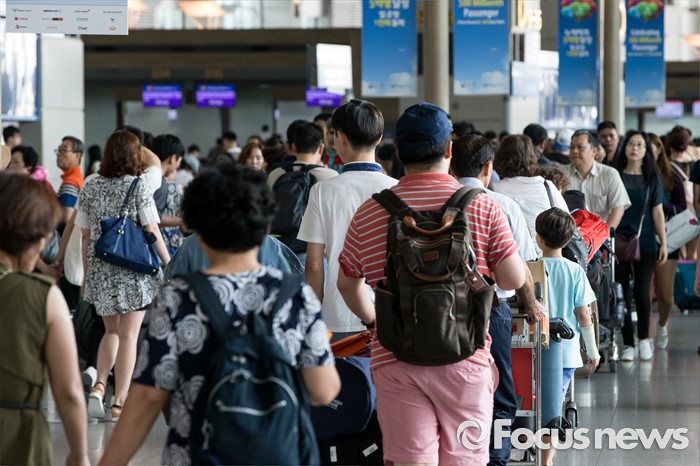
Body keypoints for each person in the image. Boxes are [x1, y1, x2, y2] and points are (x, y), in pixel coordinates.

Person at [99, 164, 340, 465]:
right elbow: (324, 390)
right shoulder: (296, 296)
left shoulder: (177, 299)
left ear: (198, 229)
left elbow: (150, 396)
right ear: (265, 225)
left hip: (197, 454)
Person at [337, 102, 529, 465]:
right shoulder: (483, 206)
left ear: (398, 152)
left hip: (395, 357)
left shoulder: (371, 211)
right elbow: (512, 278)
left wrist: (375, 322)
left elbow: (348, 283)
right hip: (466, 357)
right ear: (449, 149)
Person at [451, 134, 544, 466]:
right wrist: (531, 305)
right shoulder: (501, 205)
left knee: (450, 387)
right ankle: (495, 458)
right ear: (488, 167)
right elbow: (521, 269)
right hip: (491, 310)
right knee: (499, 390)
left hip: (439, 309)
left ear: (451, 164)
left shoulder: (433, 201)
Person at [76, 130, 171, 421]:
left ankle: (99, 386)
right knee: (129, 336)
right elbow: (152, 229)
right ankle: (119, 402)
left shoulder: (90, 186)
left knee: (111, 332)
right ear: (134, 155)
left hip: (101, 269)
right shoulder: (138, 185)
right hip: (134, 271)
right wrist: (168, 263)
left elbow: (84, 235)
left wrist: (87, 275)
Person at [0, 172, 89, 466]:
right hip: (17, 437)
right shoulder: (42, 295)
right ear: (36, 238)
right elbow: (69, 391)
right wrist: (79, 454)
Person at [298, 99, 398, 342]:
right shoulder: (397, 189)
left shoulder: (322, 191)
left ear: (340, 137)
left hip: (337, 314)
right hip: (389, 312)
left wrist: (313, 318)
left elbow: (314, 265)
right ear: (379, 138)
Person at [534, 207, 599, 466]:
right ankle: (546, 460)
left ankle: (527, 445)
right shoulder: (575, 271)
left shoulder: (530, 268)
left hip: (532, 350)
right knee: (553, 404)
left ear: (538, 238)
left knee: (531, 400)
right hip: (565, 354)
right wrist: (593, 352)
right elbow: (584, 315)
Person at [613, 131, 667, 362]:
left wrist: (663, 242)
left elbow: (658, 212)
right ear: (625, 147)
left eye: (640, 145)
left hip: (645, 242)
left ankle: (644, 338)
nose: (634, 148)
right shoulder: (614, 174)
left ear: (646, 151)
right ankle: (628, 343)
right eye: (631, 144)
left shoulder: (652, 178)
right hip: (618, 241)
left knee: (642, 292)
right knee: (621, 293)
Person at [268, 122, 338, 263]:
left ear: (293, 147)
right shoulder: (330, 176)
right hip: (316, 251)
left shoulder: (275, 174)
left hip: (278, 249)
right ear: (321, 148)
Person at [492, 135, 570, 254]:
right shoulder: (547, 186)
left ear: (500, 158)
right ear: (532, 157)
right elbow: (567, 222)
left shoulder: (494, 189)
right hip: (545, 255)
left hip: (510, 257)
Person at [650, 132, 686, 350]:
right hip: (643, 238)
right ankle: (644, 335)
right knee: (643, 293)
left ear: (660, 150)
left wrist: (662, 207)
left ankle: (662, 326)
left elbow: (683, 206)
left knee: (665, 294)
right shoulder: (633, 174)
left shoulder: (671, 174)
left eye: (652, 147)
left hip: (668, 237)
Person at [561, 130, 631, 228]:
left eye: (580, 147)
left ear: (594, 151)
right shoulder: (561, 174)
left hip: (600, 233)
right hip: (569, 234)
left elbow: (618, 208)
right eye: (572, 147)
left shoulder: (609, 174)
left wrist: (606, 234)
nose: (575, 151)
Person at [56, 136, 85, 234]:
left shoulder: (71, 182)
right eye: (58, 150)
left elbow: (67, 217)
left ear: (77, 155)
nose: (58, 154)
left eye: (64, 150)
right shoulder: (78, 178)